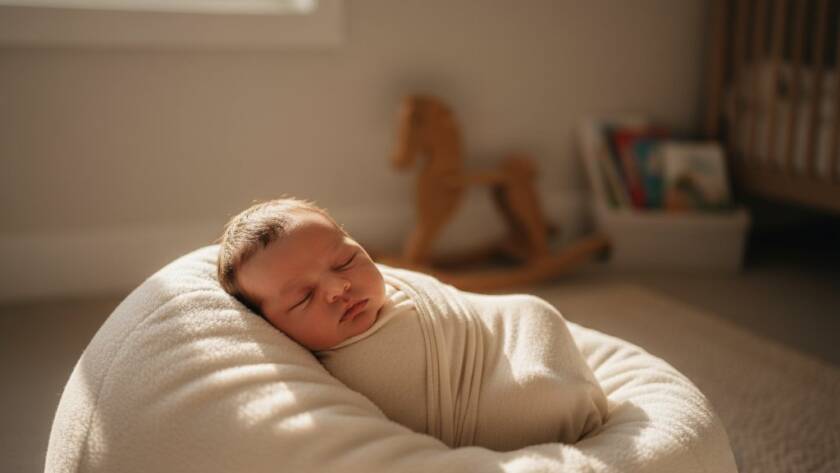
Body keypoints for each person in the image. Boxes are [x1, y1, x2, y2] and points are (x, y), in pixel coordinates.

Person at [218, 197, 607, 451]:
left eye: (345, 261)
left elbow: (449, 300)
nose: (340, 288)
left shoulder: (385, 284)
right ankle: (567, 406)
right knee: (539, 399)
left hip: (503, 338)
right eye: (303, 298)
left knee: (531, 309)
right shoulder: (328, 374)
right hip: (485, 405)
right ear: (270, 326)